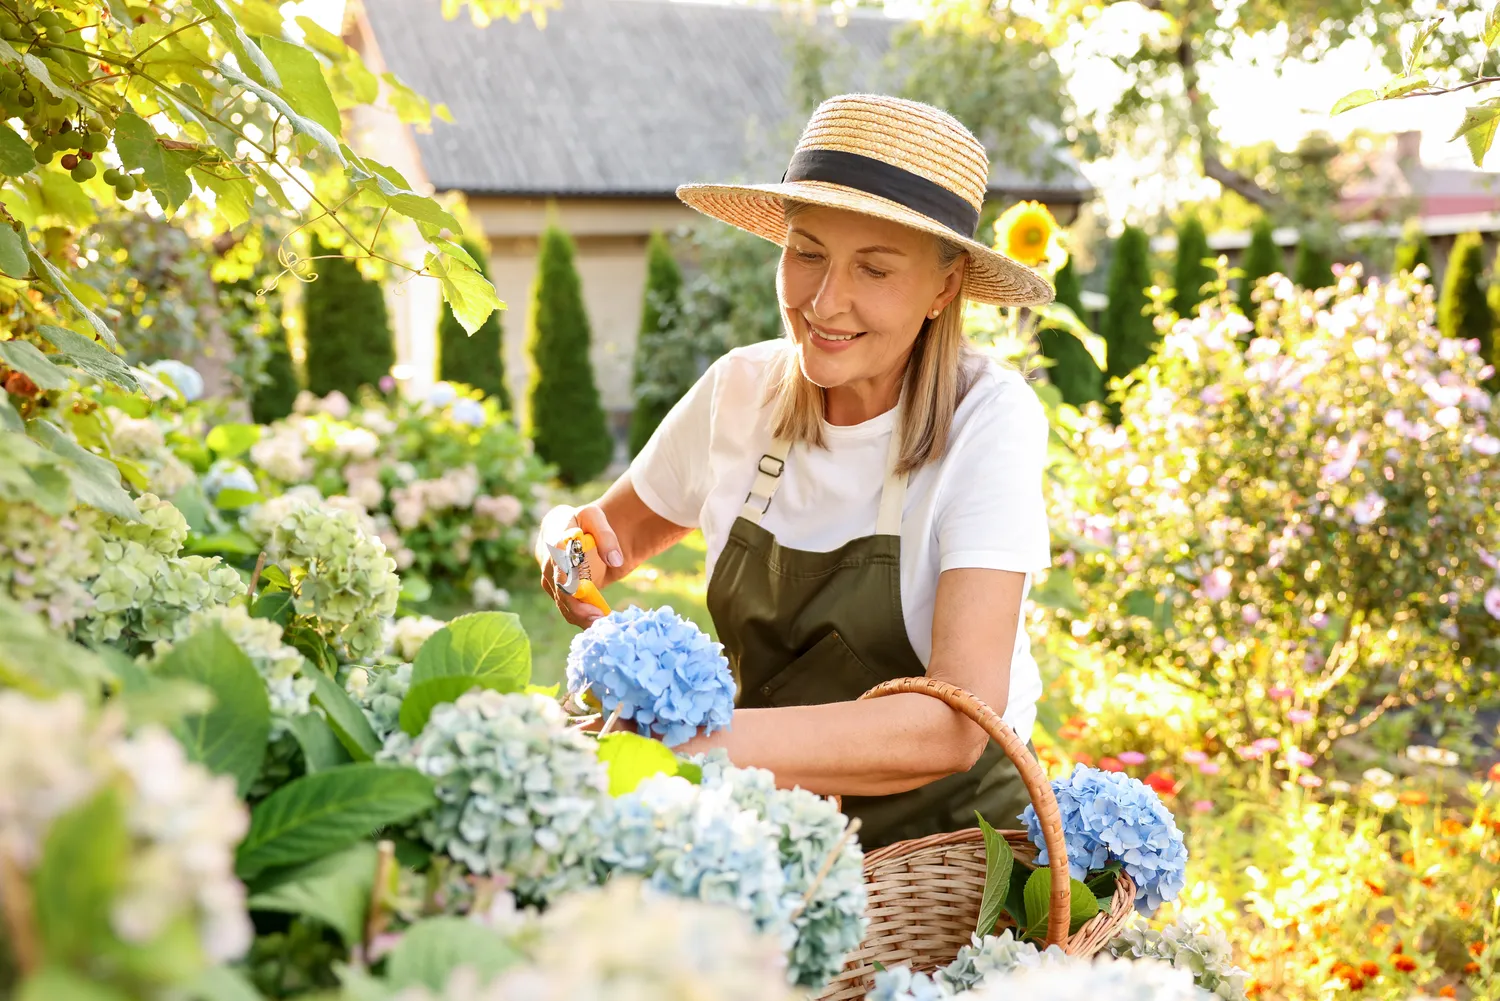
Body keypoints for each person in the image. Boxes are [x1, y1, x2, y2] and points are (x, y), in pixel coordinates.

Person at [536, 93, 1055, 850]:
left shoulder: (989, 418)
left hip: (948, 859)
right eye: (807, 251)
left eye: (874, 269)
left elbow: (953, 724)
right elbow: (603, 535)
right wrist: (562, 544)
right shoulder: (739, 390)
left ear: (945, 289)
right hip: (777, 836)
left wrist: (695, 745)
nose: (824, 300)